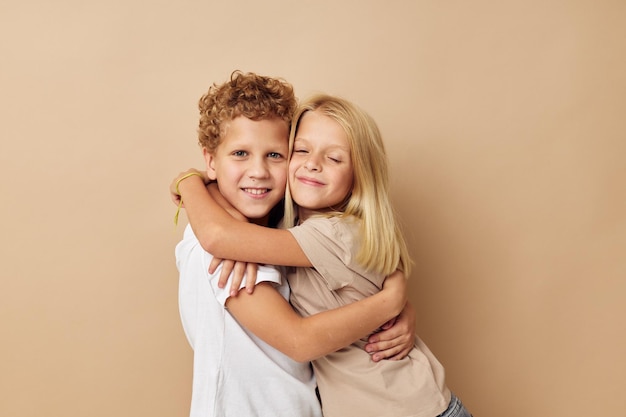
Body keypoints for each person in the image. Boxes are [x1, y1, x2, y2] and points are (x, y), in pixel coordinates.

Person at [172, 93, 473, 417]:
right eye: (302, 150)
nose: (313, 163)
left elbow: (220, 237)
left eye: (335, 158)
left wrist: (189, 184)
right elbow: (222, 233)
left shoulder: (335, 234)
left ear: (360, 174)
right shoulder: (283, 229)